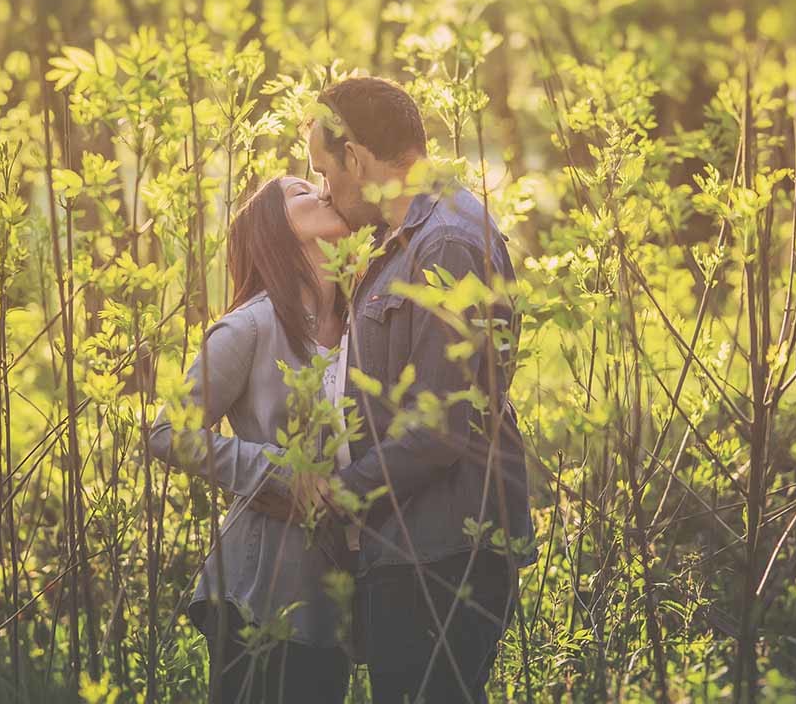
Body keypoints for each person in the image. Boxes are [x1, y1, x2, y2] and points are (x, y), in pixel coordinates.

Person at [303, 76, 536, 703]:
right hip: (409, 548)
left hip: (442, 550)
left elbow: (437, 429)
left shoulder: (449, 243)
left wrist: (339, 492)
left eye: (325, 170)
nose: (325, 189)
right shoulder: (398, 240)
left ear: (356, 157)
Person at [148, 176, 354, 703]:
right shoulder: (250, 327)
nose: (324, 192)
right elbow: (169, 433)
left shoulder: (362, 323)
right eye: (301, 190)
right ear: (275, 230)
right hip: (257, 588)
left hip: (335, 593)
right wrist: (279, 469)